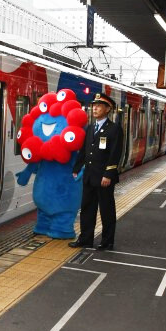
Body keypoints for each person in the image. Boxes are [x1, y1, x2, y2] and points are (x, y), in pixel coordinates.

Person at [68, 93, 123, 251]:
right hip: (90, 176)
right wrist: (77, 168)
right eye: (94, 105)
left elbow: (115, 154)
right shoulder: (91, 128)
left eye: (99, 105)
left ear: (107, 109)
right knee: (87, 209)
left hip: (104, 178)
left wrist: (108, 174)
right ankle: (86, 239)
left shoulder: (114, 129)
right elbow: (85, 151)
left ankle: (107, 242)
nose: (95, 108)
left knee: (106, 210)